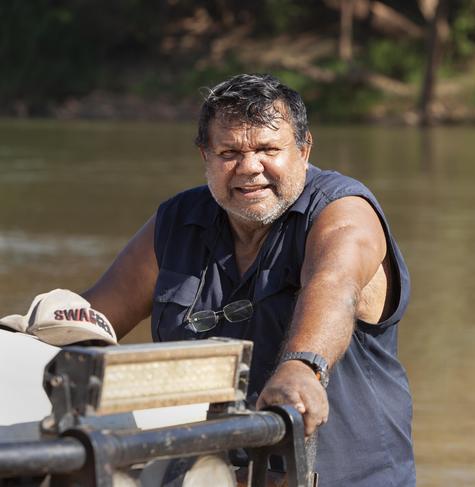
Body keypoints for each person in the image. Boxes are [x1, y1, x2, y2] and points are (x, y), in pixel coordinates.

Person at [81, 73, 415, 486]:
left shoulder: (342, 210)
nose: (250, 168)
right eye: (229, 152)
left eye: (268, 149)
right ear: (205, 154)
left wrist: (302, 368)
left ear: (304, 149)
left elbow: (334, 285)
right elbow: (91, 320)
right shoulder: (176, 222)